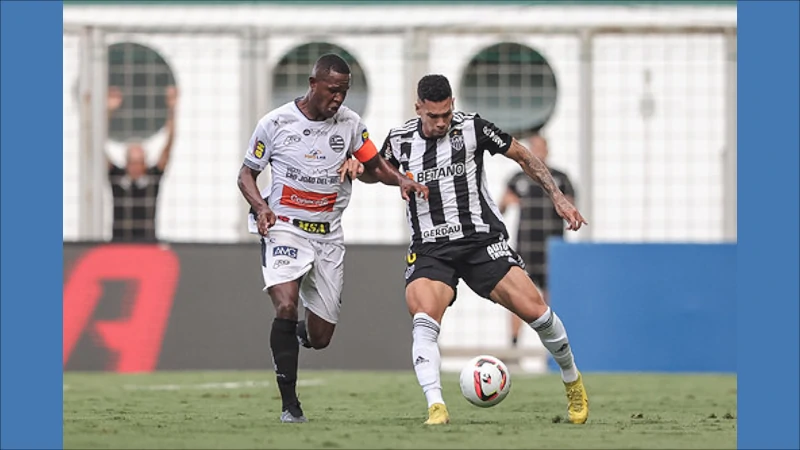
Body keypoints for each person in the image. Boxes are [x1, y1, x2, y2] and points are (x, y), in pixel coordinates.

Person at [360, 74, 589, 425]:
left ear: (453, 105)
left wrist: (557, 197)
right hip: (431, 248)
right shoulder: (400, 139)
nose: (441, 122)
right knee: (423, 319)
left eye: (446, 114)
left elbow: (522, 155)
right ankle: (436, 406)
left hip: (481, 242)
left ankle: (572, 380)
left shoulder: (472, 128)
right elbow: (377, 170)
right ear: (418, 107)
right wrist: (358, 168)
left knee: (538, 312)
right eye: (433, 116)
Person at [237, 53, 428, 424]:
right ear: (313, 85)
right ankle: (290, 405)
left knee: (321, 337)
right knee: (286, 305)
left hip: (328, 236)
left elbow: (375, 165)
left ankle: (293, 336)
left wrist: (401, 180)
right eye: (332, 90)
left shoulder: (351, 124)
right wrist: (261, 207)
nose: (338, 98)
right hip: (285, 227)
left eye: (344, 91)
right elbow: (246, 174)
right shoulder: (275, 123)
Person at [499, 133, 576, 347]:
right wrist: (506, 201)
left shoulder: (560, 178)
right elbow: (500, 207)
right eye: (534, 147)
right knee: (518, 296)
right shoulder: (518, 178)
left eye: (541, 147)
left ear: (547, 150)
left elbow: (572, 205)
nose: (538, 152)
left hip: (552, 247)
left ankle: (554, 345)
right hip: (526, 246)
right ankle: (514, 344)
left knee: (550, 297)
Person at [106, 85, 177, 242]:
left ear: (145, 163)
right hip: (119, 244)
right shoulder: (117, 177)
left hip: (147, 244)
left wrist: (172, 109)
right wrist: (108, 111)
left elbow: (168, 146)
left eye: (139, 162)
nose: (135, 167)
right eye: (132, 162)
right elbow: (98, 148)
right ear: (126, 163)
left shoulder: (152, 177)